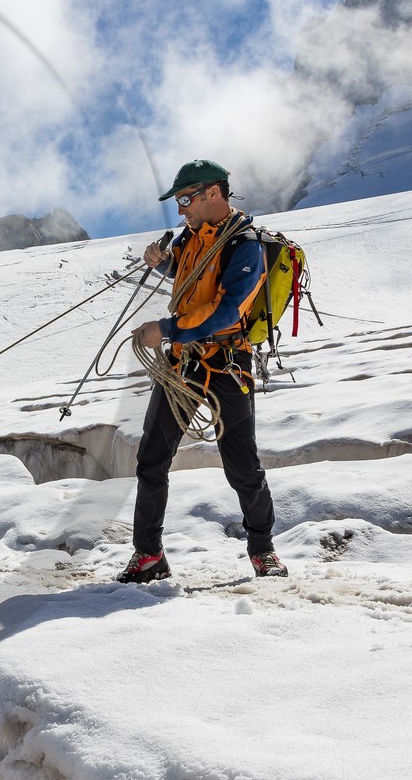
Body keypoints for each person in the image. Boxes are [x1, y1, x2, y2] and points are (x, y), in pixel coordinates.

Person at [121, 159, 287, 583]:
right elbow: (188, 274)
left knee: (241, 463)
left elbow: (228, 309)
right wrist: (160, 260)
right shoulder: (191, 238)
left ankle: (262, 550)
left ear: (213, 192)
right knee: (152, 458)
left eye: (185, 199)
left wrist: (167, 328)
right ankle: (148, 555)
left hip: (226, 363)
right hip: (184, 362)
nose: (180, 210)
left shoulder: (245, 244)